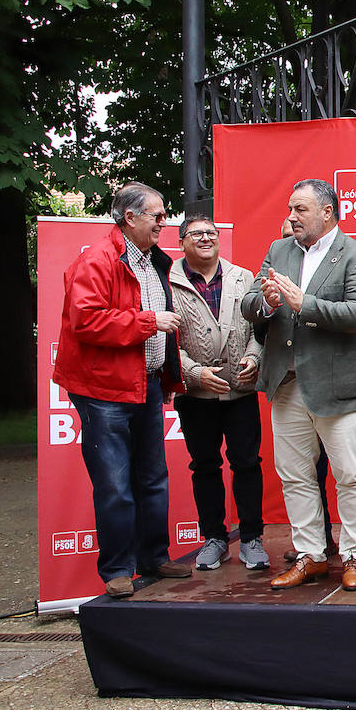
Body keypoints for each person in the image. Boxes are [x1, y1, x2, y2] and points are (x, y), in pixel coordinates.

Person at [53, 182, 192, 599]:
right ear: (130, 218)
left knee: (153, 478)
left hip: (144, 384)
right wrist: (149, 322)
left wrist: (166, 377)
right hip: (102, 389)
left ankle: (153, 557)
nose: (164, 223)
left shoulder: (155, 262)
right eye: (157, 215)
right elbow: (87, 321)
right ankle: (117, 568)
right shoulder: (96, 260)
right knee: (115, 483)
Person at [243, 178, 356, 592]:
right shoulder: (278, 250)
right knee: (295, 475)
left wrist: (305, 305)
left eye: (300, 209)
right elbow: (249, 303)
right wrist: (266, 302)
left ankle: (354, 556)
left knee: (350, 476)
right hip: (286, 383)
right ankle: (312, 556)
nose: (291, 217)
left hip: (339, 388)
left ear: (327, 212)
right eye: (290, 209)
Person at [168, 215, 267, 572]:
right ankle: (213, 538)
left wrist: (255, 356)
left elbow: (261, 328)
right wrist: (194, 373)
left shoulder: (243, 276)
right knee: (205, 467)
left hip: (241, 392)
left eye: (211, 233)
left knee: (247, 464)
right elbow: (163, 342)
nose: (206, 238)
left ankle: (253, 538)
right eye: (196, 234)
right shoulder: (168, 281)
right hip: (195, 397)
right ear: (182, 242)